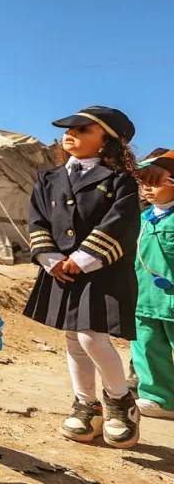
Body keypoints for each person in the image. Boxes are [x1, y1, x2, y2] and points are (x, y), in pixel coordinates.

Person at [25, 106, 141, 447]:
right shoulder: (48, 178)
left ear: (107, 142)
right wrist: (50, 258)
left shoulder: (121, 182)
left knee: (92, 337)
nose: (70, 133)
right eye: (68, 128)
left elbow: (119, 224)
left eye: (83, 129)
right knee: (74, 339)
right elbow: (38, 220)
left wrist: (81, 258)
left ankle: (120, 403)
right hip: (60, 271)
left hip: (99, 270)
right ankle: (85, 406)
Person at [130, 148, 174, 419]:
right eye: (143, 181)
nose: (147, 188)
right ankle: (160, 398)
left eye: (155, 181)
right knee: (147, 346)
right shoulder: (141, 220)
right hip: (145, 299)